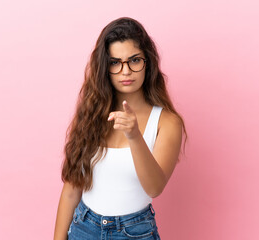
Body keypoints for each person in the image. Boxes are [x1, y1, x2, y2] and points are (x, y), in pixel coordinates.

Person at [54, 17, 187, 240]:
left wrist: (134, 136)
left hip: (134, 232)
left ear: (148, 62)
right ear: (105, 68)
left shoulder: (166, 122)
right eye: (115, 62)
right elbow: (71, 190)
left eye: (134, 60)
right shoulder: (91, 115)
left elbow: (154, 188)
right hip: (83, 227)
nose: (126, 71)